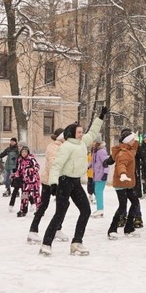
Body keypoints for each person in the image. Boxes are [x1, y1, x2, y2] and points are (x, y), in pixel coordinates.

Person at [39, 106, 107, 256]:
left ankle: (77, 242)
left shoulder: (82, 143)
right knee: (60, 213)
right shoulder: (66, 146)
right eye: (79, 132)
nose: (82, 134)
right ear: (72, 133)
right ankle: (46, 244)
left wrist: (100, 117)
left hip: (75, 182)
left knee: (86, 210)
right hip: (64, 181)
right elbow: (56, 166)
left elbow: (93, 132)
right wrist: (53, 183)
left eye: (82, 132)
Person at [28, 128, 68, 244]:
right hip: (49, 181)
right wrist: (55, 180)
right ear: (61, 136)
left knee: (63, 204)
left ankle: (57, 228)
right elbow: (52, 163)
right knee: (44, 205)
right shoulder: (54, 146)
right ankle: (33, 230)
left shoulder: (63, 146)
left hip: (57, 180)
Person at [106, 128, 142, 240]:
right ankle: (112, 229)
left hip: (128, 183)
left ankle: (129, 228)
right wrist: (122, 174)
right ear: (127, 141)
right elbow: (121, 164)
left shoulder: (129, 149)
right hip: (121, 182)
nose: (134, 141)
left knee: (135, 203)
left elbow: (135, 145)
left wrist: (135, 136)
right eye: (132, 140)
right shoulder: (123, 153)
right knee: (122, 206)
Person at [14, 145, 40, 217]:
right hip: (25, 181)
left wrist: (32, 170)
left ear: (28, 152)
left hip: (34, 181)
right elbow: (19, 170)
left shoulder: (31, 159)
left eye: (25, 152)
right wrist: (15, 175)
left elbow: (37, 167)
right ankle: (23, 210)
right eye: (23, 152)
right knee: (24, 196)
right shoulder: (20, 160)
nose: (24, 153)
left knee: (36, 195)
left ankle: (39, 210)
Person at [90, 140, 110, 218]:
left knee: (98, 192)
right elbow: (93, 162)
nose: (92, 144)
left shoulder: (101, 151)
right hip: (97, 175)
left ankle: (100, 209)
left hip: (101, 175)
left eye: (94, 142)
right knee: (97, 191)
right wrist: (88, 166)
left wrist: (105, 173)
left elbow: (105, 163)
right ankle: (99, 209)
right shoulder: (96, 151)